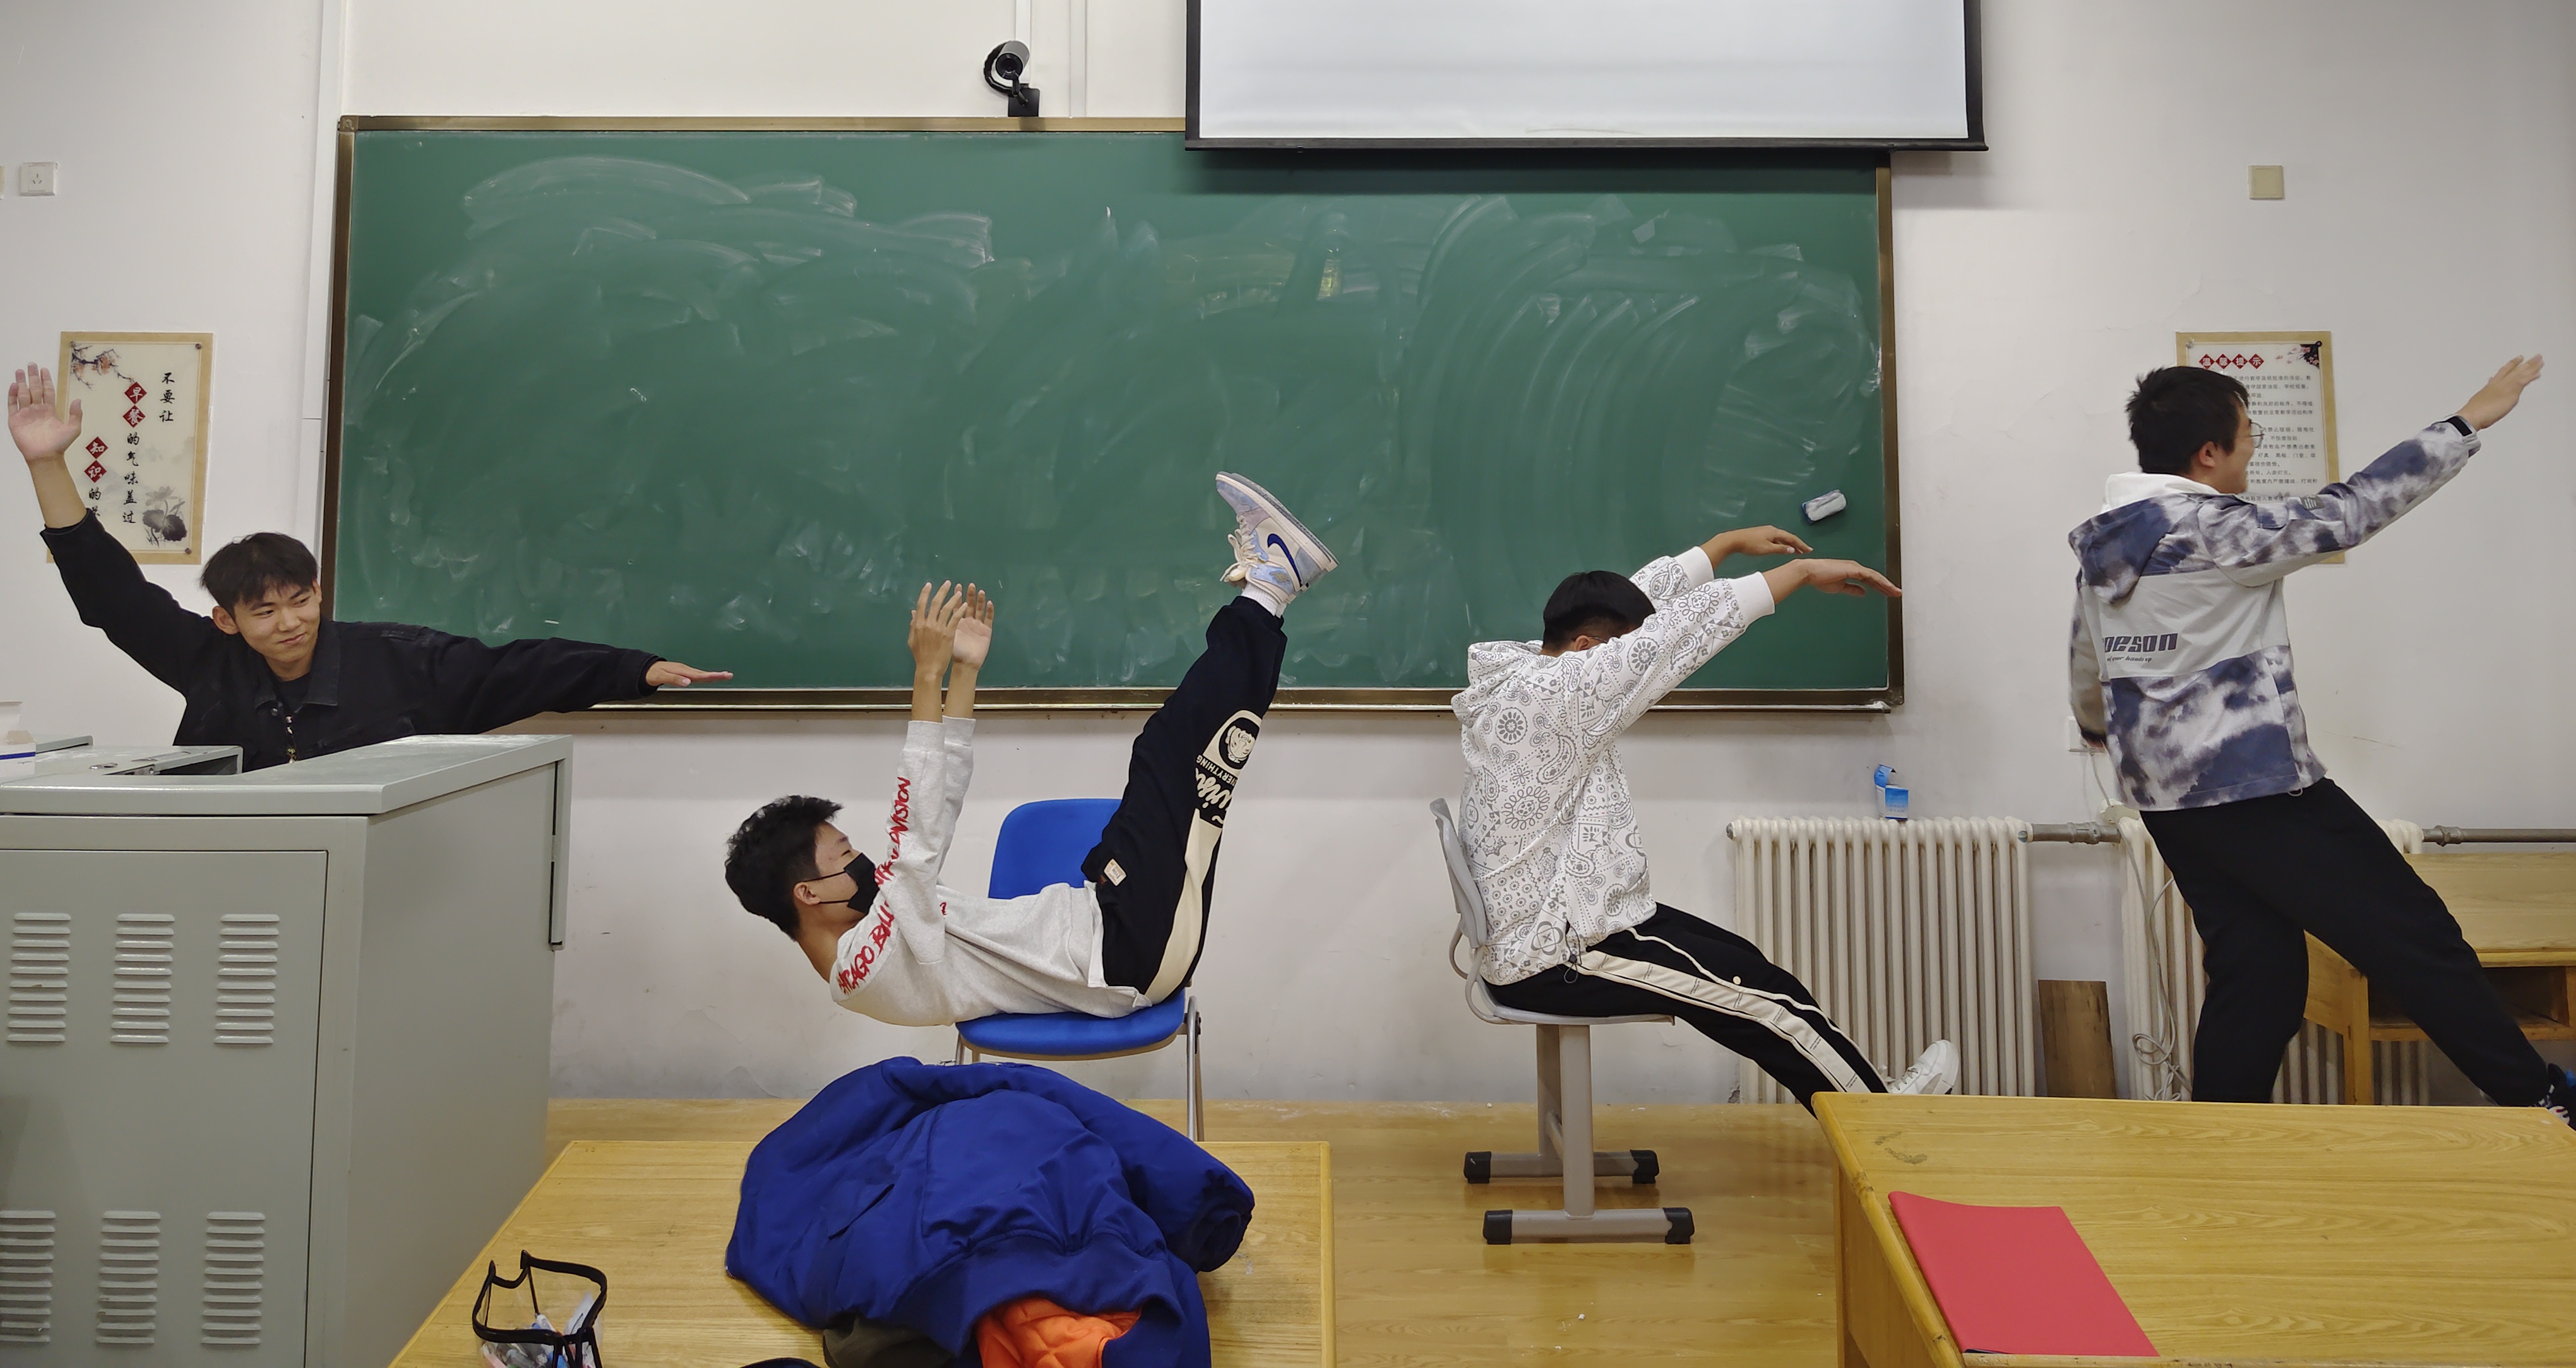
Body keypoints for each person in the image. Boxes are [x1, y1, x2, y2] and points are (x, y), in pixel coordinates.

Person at [2072, 354, 2576, 1119]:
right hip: (2254, 789)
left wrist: (2096, 727)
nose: (2253, 446)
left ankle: (2217, 1142)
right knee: (2415, 935)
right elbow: (2352, 510)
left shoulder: (2104, 548)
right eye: (2247, 433)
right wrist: (2466, 422)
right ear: (2208, 453)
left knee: (2260, 970)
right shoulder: (2215, 529)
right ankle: (2539, 1100)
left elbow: (2087, 658)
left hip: (2167, 799)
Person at [724, 473, 1329, 1026]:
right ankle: (1271, 586)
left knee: (1174, 757)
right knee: (1174, 755)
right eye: (845, 854)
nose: (863, 862)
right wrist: (927, 676)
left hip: (1106, 921)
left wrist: (963, 674)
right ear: (808, 894)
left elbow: (940, 804)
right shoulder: (865, 969)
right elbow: (918, 842)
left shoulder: (875, 931)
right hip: (1123, 954)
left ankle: (1270, 591)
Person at [9, 360, 727, 769]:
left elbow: (516, 668)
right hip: (230, 863)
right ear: (227, 621)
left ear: (319, 592)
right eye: (265, 611)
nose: (291, 623)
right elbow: (112, 595)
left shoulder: (398, 658)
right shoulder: (206, 661)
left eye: (301, 599)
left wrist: (636, 670)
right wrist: (46, 464)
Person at [1454, 526, 1957, 1107]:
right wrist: (1798, 574)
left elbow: (1643, 607)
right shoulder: (1561, 692)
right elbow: (1675, 633)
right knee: (1767, 1003)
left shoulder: (1527, 674)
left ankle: (1867, 1094)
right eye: (1618, 655)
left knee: (1749, 968)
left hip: (1565, 921)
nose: (1629, 668)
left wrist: (1724, 545)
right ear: (1587, 648)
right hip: (1556, 953)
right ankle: (1884, 1118)